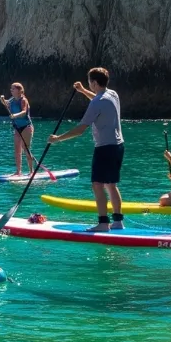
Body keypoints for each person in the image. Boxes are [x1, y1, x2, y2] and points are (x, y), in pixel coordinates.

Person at [48, 67, 125, 231]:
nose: (89, 84)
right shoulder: (113, 94)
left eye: (89, 82)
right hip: (118, 146)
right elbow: (98, 98)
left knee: (97, 185)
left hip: (104, 148)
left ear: (95, 83)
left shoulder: (97, 102)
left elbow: (80, 129)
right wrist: (83, 90)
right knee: (111, 184)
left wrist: (58, 139)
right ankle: (118, 222)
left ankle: (103, 223)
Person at [0, 82, 35, 175]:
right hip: (17, 128)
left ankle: (31, 171)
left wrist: (15, 115)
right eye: (11, 88)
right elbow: (5, 103)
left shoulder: (23, 100)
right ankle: (18, 172)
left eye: (13, 89)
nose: (11, 90)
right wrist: (2, 99)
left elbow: (23, 112)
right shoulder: (12, 100)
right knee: (17, 150)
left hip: (26, 127)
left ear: (19, 91)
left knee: (26, 149)